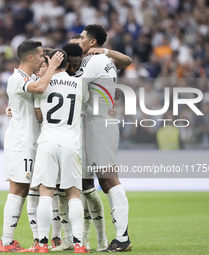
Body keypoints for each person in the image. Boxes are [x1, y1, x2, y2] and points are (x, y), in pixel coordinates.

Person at [0, 40, 63, 252]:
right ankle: (6, 241)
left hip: (32, 141)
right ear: (30, 57)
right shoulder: (17, 78)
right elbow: (40, 87)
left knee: (30, 190)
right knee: (18, 190)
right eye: (41, 56)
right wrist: (53, 66)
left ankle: (38, 238)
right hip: (21, 143)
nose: (44, 59)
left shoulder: (28, 78)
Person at [75, 24, 133, 252]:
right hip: (94, 122)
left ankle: (123, 237)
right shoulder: (100, 60)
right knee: (91, 180)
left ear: (91, 42)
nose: (78, 40)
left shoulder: (94, 61)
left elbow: (75, 87)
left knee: (108, 179)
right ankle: (87, 238)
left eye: (81, 37)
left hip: (99, 123)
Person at [30, 49, 90, 253]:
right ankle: (79, 244)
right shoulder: (80, 83)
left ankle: (42, 244)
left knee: (46, 192)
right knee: (73, 194)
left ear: (52, 62)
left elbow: (39, 116)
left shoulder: (43, 84)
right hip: (71, 142)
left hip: (48, 140)